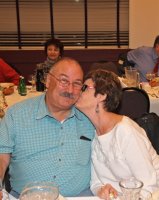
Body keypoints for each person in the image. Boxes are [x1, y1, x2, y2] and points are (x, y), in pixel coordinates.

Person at [76, 69, 159, 200]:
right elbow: (95, 182)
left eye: (84, 88)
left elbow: (148, 187)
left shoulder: (126, 131)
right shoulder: (94, 134)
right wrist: (101, 190)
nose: (78, 91)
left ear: (102, 95)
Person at [0, 57, 95, 198]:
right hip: (26, 196)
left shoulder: (90, 117)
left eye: (77, 84)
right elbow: (2, 154)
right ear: (48, 81)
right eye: (63, 81)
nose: (70, 89)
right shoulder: (17, 114)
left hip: (79, 196)